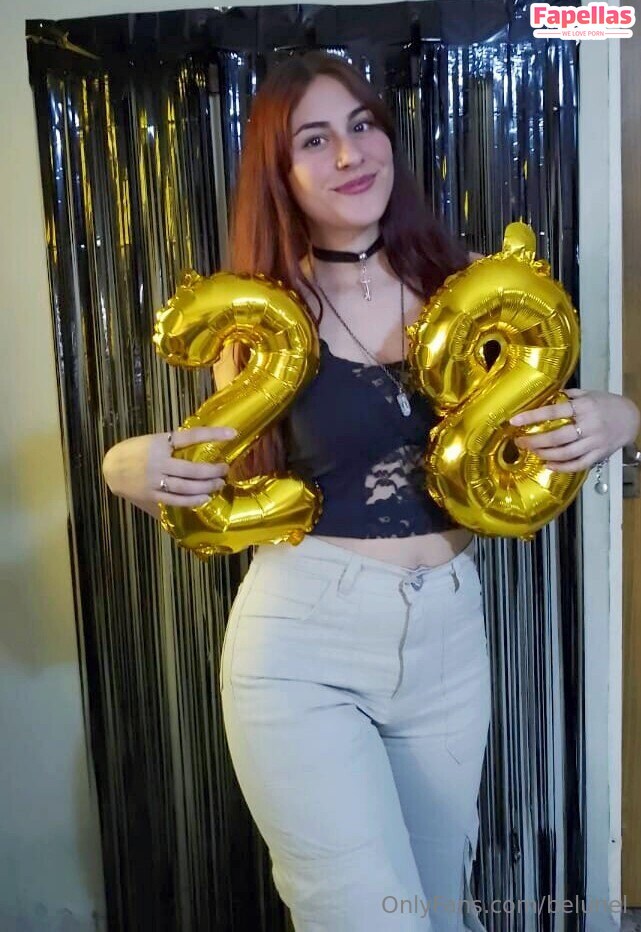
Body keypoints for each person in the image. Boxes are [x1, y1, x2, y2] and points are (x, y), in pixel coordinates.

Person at [102, 51, 640, 932]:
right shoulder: (263, 316)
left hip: (449, 638)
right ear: (279, 174)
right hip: (304, 641)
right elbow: (212, 468)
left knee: (436, 906)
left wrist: (619, 414)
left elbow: (552, 416)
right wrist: (124, 466)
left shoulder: (469, 283)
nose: (350, 154)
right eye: (314, 140)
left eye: (361, 126)